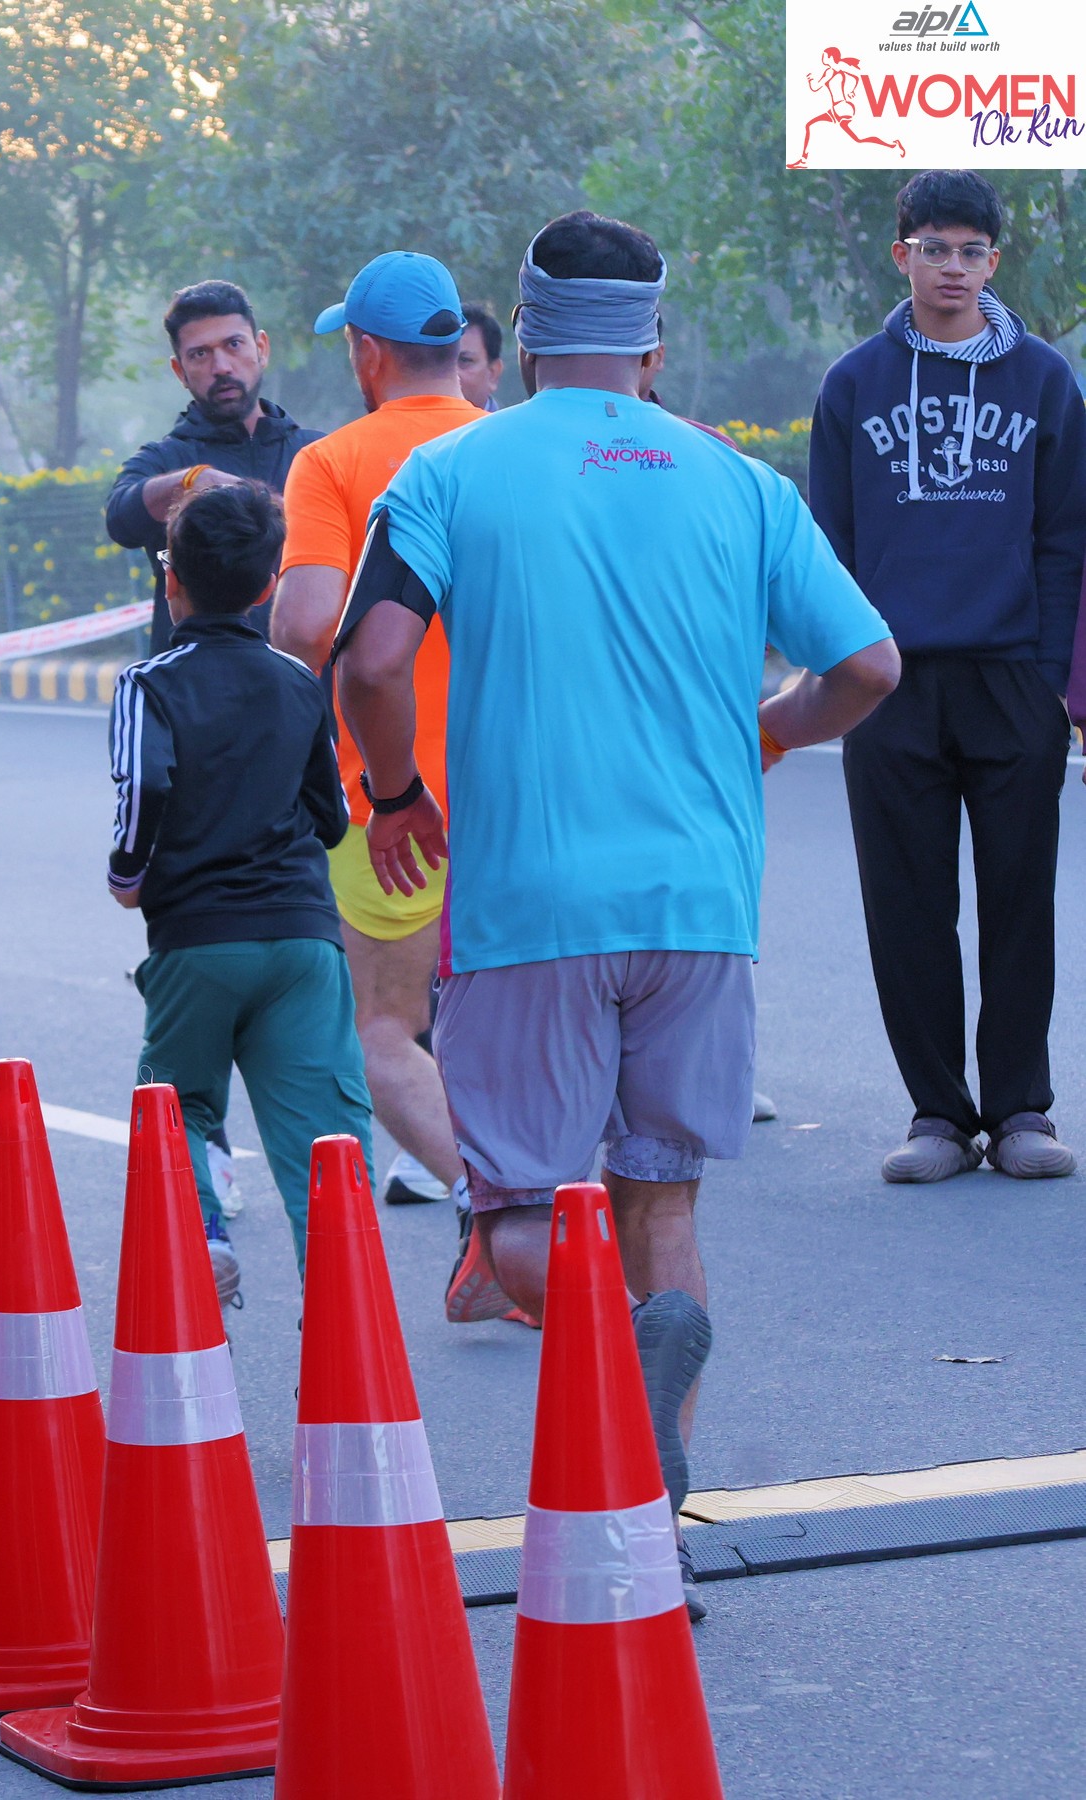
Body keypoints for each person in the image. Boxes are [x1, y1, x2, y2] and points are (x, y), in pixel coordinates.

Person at [336, 209, 899, 1616]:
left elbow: (371, 662)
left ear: (521, 338)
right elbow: (871, 668)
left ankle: (611, 1365)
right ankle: (653, 1526)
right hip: (701, 906)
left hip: (530, 908)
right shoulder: (740, 485)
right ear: (654, 344)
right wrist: (769, 730)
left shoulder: (451, 469)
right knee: (664, 1205)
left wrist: (396, 797)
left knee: (518, 1211)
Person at [810, 169, 1086, 1184]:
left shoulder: (1046, 381)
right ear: (903, 256)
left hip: (1012, 678)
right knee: (907, 907)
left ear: (993, 260)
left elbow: (1065, 536)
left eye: (972, 251)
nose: (953, 268)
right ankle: (937, 1114)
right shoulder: (854, 384)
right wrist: (847, 672)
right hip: (890, 683)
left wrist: (1049, 680)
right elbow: (829, 546)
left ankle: (1020, 1112)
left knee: (1019, 903)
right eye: (935, 249)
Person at [109, 476, 374, 1304]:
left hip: (196, 939)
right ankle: (344, 1305)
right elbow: (332, 817)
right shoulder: (297, 681)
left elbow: (143, 786)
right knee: (326, 1135)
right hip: (302, 940)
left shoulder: (148, 684)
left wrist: (127, 876)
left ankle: (206, 1233)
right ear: (268, 586)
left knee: (178, 1103)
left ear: (171, 580)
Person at [268, 253, 484, 1261]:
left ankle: (498, 1208)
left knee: (386, 1030)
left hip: (391, 799)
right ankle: (551, 1224)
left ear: (365, 351)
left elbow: (305, 625)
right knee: (518, 1028)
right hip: (528, 791)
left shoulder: (334, 463)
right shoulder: (513, 449)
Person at [105, 281, 322, 648]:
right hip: (193, 680)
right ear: (180, 371)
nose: (221, 367)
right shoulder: (165, 460)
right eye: (200, 354)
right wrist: (192, 482)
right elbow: (120, 520)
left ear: (261, 348)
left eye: (233, 345)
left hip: (305, 678)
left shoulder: (318, 454)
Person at [456, 304, 505, 412]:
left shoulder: (513, 423)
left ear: (493, 373)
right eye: (441, 360)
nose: (450, 373)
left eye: (464, 360)